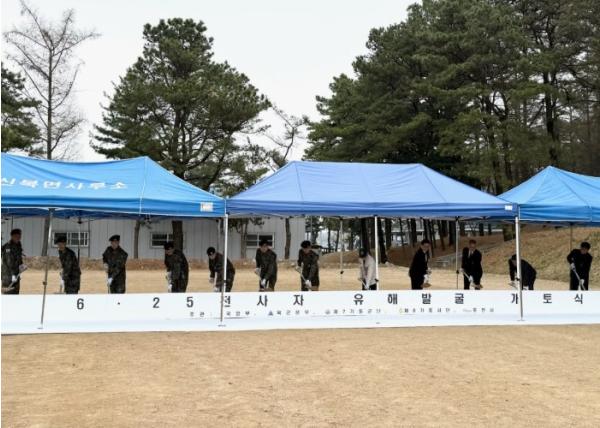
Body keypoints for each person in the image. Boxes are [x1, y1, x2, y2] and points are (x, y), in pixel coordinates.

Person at [1, 229, 25, 294]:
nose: (18, 238)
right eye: (16, 236)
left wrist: (22, 266)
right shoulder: (8, 247)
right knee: (8, 295)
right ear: (12, 236)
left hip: (16, 276)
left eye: (19, 236)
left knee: (15, 294)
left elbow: (19, 259)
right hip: (8, 277)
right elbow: (9, 263)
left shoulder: (18, 246)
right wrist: (13, 275)